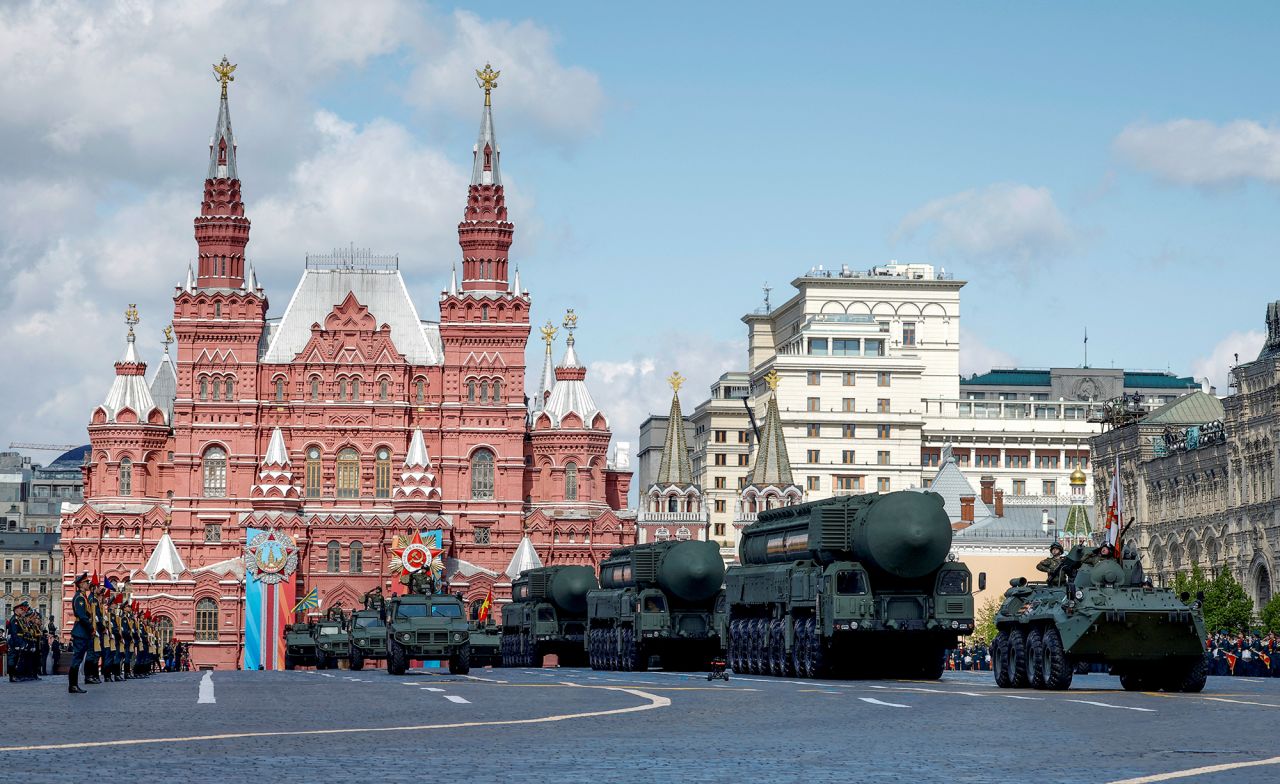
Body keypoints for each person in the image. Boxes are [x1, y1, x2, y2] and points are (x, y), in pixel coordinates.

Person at [69, 572, 92, 693]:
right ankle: (72, 685)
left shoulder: (83, 597)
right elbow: (82, 616)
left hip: (83, 631)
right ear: (81, 584)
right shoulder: (79, 598)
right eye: (87, 582)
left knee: (78, 658)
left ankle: (74, 685)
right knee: (77, 658)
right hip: (81, 631)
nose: (88, 584)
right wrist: (90, 628)